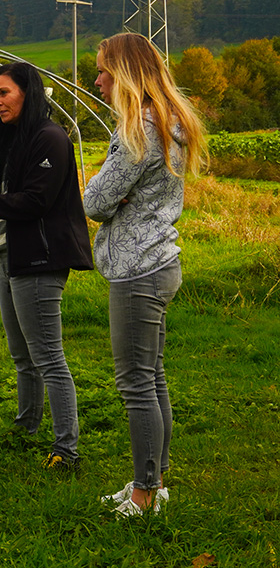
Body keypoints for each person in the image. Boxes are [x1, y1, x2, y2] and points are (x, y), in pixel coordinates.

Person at [0, 62, 93, 469]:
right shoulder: (10, 139)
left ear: (28, 92)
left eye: (3, 93)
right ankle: (26, 426)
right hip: (10, 255)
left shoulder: (50, 138)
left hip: (40, 258)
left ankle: (67, 450)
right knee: (21, 354)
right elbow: (2, 202)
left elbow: (34, 203)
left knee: (48, 356)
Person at [84, 32, 206, 517]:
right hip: (160, 261)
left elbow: (94, 202)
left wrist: (105, 186)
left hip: (138, 269)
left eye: (103, 70)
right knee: (153, 378)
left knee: (136, 383)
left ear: (126, 75)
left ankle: (144, 494)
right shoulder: (170, 121)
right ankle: (155, 481)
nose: (96, 80)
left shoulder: (139, 131)